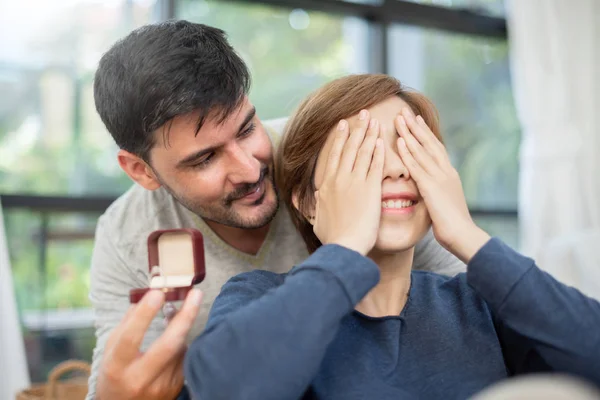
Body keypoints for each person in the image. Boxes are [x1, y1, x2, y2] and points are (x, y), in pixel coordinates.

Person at [87, 21, 464, 399]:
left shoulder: (322, 160)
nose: (250, 170)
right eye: (205, 159)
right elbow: (123, 375)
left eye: (248, 128)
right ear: (141, 170)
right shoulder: (127, 235)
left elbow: (468, 300)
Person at [181, 74, 600, 399]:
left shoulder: (481, 305)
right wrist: (345, 247)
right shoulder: (257, 296)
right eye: (365, 155)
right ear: (307, 200)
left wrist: (467, 235)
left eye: (412, 147)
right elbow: (226, 388)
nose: (397, 169)